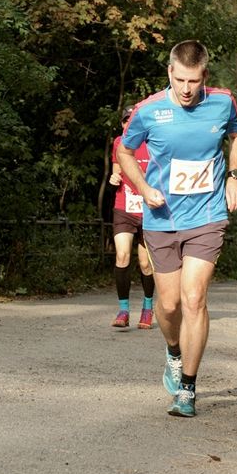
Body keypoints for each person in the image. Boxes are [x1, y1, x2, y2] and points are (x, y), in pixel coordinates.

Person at [117, 39, 237, 418]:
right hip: (162, 218)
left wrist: (235, 175)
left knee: (194, 299)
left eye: (194, 81)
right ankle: (173, 352)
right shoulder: (148, 110)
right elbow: (125, 151)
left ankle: (188, 388)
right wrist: (143, 189)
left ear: (204, 75)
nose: (187, 89)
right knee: (170, 304)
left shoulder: (223, 102)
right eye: (180, 80)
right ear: (169, 73)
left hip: (207, 216)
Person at [108, 106, 155, 330]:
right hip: (124, 207)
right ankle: (123, 310)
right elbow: (116, 170)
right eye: (125, 120)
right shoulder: (119, 142)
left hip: (149, 210)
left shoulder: (153, 143)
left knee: (145, 264)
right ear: (122, 124)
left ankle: (147, 307)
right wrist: (114, 178)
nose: (128, 124)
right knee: (122, 256)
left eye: (132, 120)